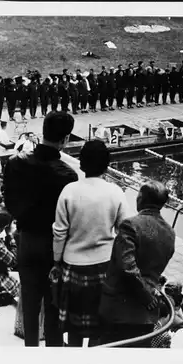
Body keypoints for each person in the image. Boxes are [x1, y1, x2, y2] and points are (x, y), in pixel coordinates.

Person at [3, 111, 78, 347]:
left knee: (30, 301)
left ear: (43, 131)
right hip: (53, 246)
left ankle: (31, 351)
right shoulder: (67, 175)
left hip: (25, 239)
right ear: (65, 139)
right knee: (52, 305)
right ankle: (53, 353)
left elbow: (10, 203)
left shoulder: (15, 163)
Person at [51, 140, 130, 347]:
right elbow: (126, 231)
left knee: (75, 330)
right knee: (99, 327)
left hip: (73, 265)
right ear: (106, 165)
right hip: (105, 266)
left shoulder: (69, 191)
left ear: (82, 163)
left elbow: (59, 233)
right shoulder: (115, 192)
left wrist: (56, 261)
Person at [99, 181, 176, 347]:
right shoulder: (170, 232)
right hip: (146, 314)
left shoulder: (130, 225)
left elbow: (127, 267)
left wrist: (144, 294)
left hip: (119, 309)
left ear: (141, 199)